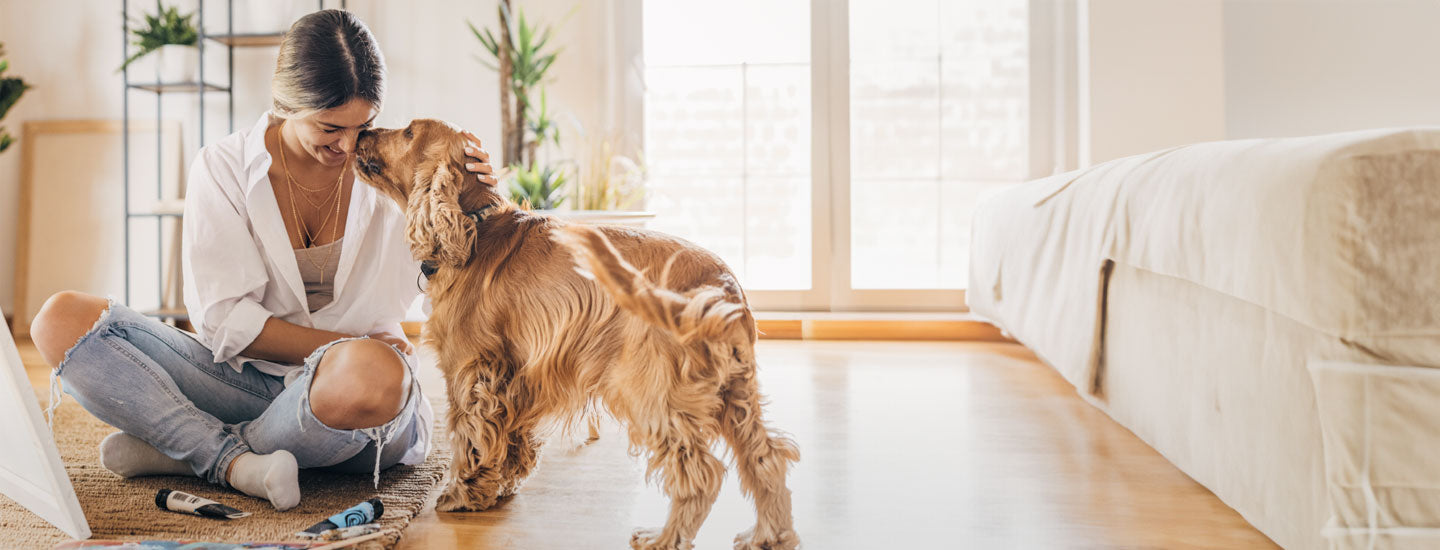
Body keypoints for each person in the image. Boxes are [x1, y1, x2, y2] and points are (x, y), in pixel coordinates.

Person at [27, 9, 496, 511]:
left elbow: (461, 284)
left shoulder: (393, 169)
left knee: (373, 373)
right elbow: (226, 323)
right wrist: (345, 343)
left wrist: (477, 203)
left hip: (356, 403)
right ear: (285, 104)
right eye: (330, 127)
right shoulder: (223, 167)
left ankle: (193, 450)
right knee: (60, 320)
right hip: (241, 382)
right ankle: (236, 462)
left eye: (365, 125)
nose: (349, 145)